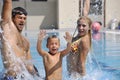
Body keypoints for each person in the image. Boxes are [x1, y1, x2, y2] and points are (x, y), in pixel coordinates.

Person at [0, 0, 39, 79]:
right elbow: (7, 2)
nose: (22, 20)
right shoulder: (8, 30)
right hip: (10, 77)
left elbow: (30, 67)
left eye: (24, 18)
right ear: (12, 18)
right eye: (20, 18)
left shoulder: (26, 42)